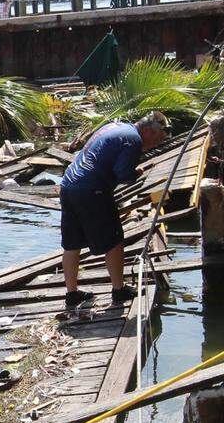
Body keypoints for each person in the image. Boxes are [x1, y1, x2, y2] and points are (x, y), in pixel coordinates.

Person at [60, 112, 169, 310]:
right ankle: (119, 290)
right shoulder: (133, 140)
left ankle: (72, 294)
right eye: (156, 139)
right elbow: (123, 174)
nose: (155, 145)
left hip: (68, 185)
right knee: (115, 240)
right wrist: (135, 173)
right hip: (93, 189)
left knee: (72, 243)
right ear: (146, 130)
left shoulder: (115, 126)